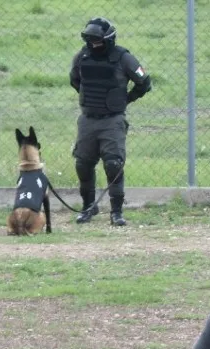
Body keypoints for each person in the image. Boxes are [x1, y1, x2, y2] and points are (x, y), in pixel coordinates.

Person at [69, 17, 152, 227]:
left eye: (97, 40)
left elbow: (144, 82)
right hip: (88, 119)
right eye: (90, 39)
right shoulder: (83, 56)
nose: (94, 43)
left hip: (112, 120)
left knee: (113, 164)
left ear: (108, 39)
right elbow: (75, 80)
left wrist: (125, 99)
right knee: (83, 164)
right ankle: (88, 206)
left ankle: (116, 212)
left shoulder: (123, 58)